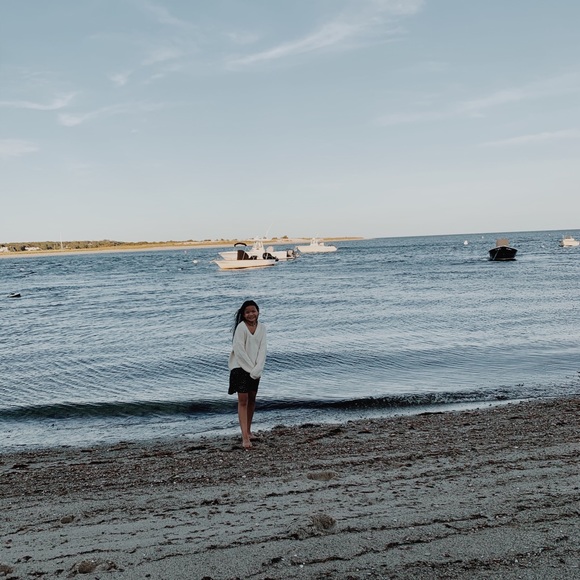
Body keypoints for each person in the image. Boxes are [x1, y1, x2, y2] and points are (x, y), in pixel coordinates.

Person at [228, 300, 267, 450]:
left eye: (253, 311)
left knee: (252, 399)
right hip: (240, 368)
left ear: (258, 312)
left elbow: (263, 350)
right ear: (243, 314)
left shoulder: (262, 328)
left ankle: (249, 432)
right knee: (243, 401)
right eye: (247, 312)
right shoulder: (241, 328)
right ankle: (244, 438)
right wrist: (251, 369)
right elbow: (239, 351)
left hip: (255, 370)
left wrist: (257, 369)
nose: (251, 314)